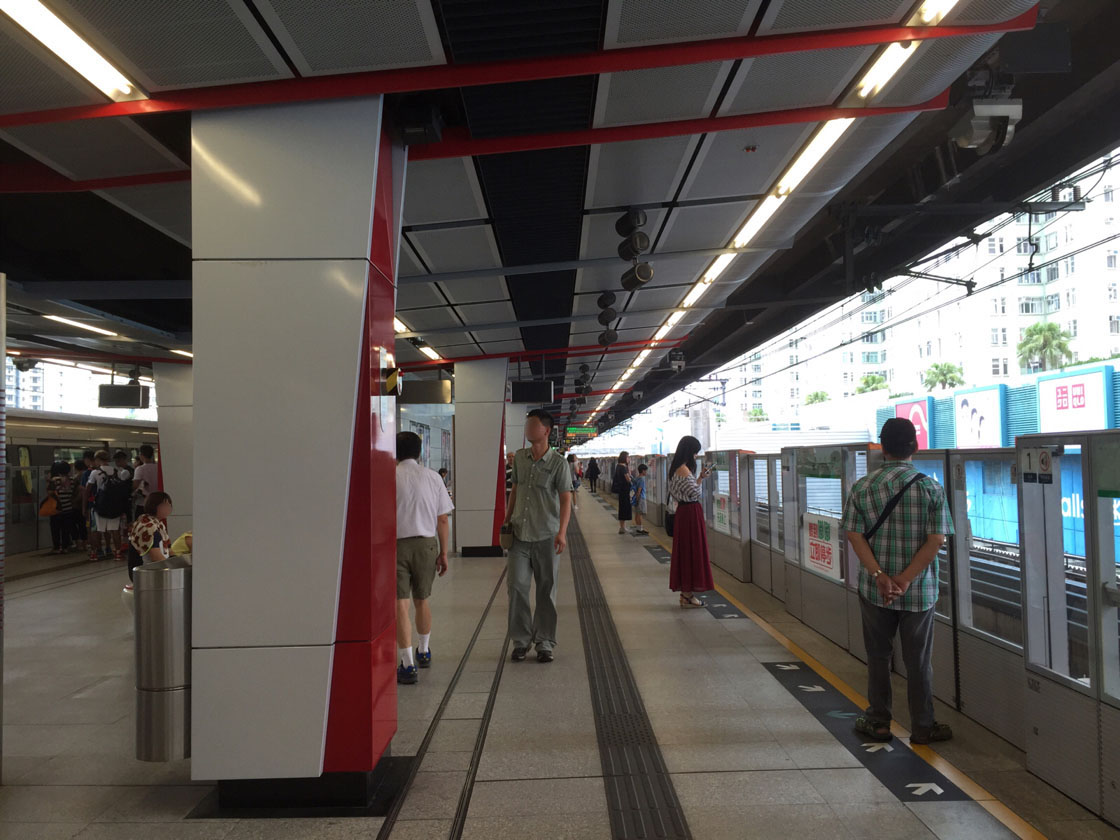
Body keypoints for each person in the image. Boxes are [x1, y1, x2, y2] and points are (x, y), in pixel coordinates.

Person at [841, 417, 955, 745]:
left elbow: (854, 534)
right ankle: (923, 725)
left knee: (878, 656)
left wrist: (880, 576)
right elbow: (936, 540)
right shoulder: (931, 487)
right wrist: (904, 581)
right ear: (914, 447)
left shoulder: (863, 486)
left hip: (874, 590)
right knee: (918, 661)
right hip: (918, 592)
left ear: (883, 448)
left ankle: (878, 721)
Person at [503, 409, 571, 664]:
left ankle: (544, 641)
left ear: (546, 431)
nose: (528, 430)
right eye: (527, 425)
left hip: (546, 536)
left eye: (533, 425)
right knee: (517, 587)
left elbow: (566, 500)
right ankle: (520, 640)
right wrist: (507, 519)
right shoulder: (520, 458)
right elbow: (516, 489)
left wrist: (562, 532)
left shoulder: (558, 464)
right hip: (520, 535)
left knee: (546, 589)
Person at [395, 431, 454, 686]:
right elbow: (443, 518)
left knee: (400, 604)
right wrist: (443, 552)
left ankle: (407, 665)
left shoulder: (388, 476)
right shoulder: (432, 477)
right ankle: (424, 650)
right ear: (419, 452)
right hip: (426, 545)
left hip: (394, 546)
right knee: (422, 600)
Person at [668, 436, 714, 608]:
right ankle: (687, 595)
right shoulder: (684, 470)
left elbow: (689, 491)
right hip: (690, 513)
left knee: (685, 552)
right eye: (695, 452)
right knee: (692, 552)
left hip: (683, 512)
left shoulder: (674, 469)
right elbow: (695, 494)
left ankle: (686, 594)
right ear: (690, 452)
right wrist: (701, 479)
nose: (696, 456)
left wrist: (700, 477)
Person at [88, 449, 132, 560]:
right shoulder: (116, 471)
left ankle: (98, 552)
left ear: (98, 460)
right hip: (114, 506)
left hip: (100, 506)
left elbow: (88, 489)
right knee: (115, 530)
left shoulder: (95, 472)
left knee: (97, 530)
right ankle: (117, 553)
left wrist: (85, 506)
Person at [125, 491, 172, 584]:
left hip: (152, 570)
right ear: (154, 506)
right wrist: (172, 569)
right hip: (145, 574)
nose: (168, 508)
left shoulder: (157, 524)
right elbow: (156, 558)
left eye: (169, 505)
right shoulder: (148, 528)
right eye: (164, 505)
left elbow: (170, 550)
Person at [47, 461, 75, 554]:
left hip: (57, 509)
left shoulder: (55, 480)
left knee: (55, 529)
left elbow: (50, 492)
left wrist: (57, 500)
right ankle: (65, 547)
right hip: (68, 509)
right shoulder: (72, 480)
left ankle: (56, 547)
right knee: (66, 529)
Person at [132, 444, 159, 520]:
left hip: (144, 503)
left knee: (143, 526)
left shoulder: (140, 469)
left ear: (141, 455)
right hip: (157, 501)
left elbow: (135, 486)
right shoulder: (158, 467)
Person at [613, 451, 632, 534]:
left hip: (621, 490)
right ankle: (622, 527)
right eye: (628, 457)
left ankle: (622, 527)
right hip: (624, 490)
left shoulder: (618, 466)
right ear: (624, 458)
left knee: (622, 507)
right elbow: (628, 479)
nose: (629, 459)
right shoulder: (623, 467)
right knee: (624, 508)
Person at [632, 463, 649, 536]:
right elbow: (639, 490)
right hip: (641, 498)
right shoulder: (642, 479)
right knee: (639, 514)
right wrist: (638, 499)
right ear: (643, 471)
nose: (646, 472)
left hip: (637, 497)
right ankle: (640, 529)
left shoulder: (637, 478)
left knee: (637, 513)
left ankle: (638, 527)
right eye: (645, 471)